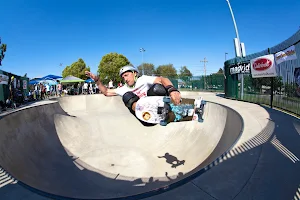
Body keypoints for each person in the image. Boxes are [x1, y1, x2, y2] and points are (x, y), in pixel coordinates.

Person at [85, 66, 181, 114]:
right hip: (142, 114)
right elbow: (106, 92)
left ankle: (171, 108)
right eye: (123, 77)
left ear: (135, 73)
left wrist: (172, 90)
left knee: (157, 88)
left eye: (126, 75)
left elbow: (162, 79)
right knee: (127, 95)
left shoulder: (143, 79)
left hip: (156, 108)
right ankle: (144, 112)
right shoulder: (123, 89)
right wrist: (97, 80)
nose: (125, 79)